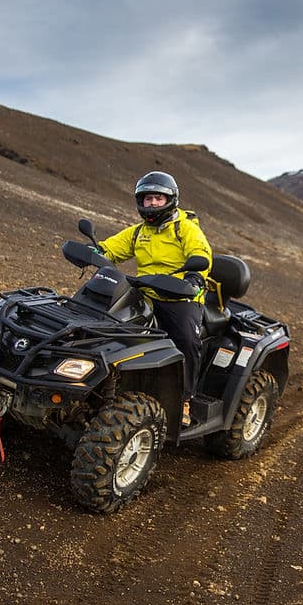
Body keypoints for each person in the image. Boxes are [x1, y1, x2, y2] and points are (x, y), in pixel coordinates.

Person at [97, 171, 212, 425]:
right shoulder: (139, 232)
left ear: (170, 200)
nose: (151, 204)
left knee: (187, 341)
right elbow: (112, 248)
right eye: (147, 198)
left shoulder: (186, 229)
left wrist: (195, 278)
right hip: (144, 292)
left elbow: (201, 254)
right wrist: (95, 251)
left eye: (157, 198)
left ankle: (184, 398)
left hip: (180, 297)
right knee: (103, 322)